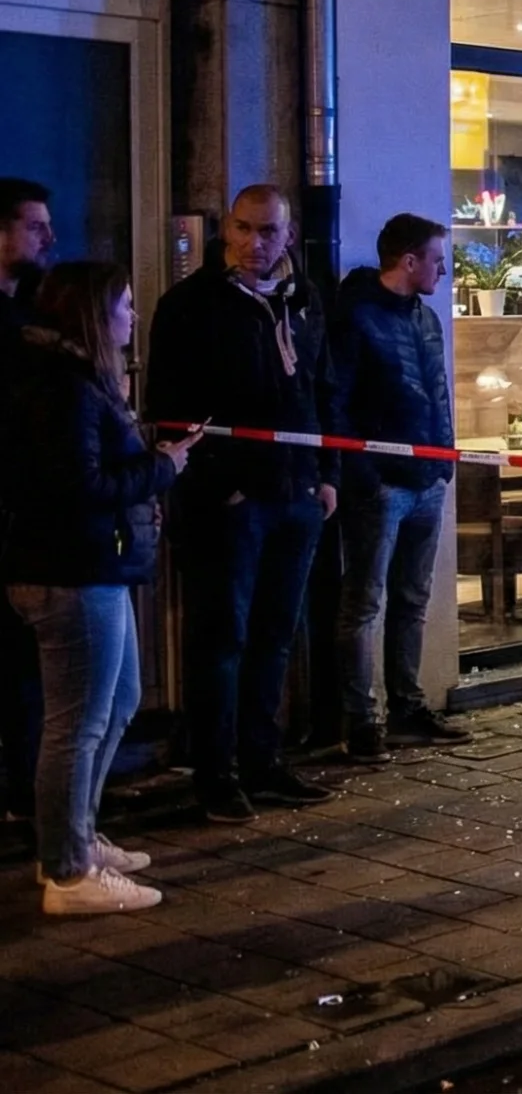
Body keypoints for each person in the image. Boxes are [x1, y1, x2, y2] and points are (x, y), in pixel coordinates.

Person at [4, 263, 199, 912]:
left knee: (118, 702)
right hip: (72, 572)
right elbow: (78, 487)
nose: (133, 316)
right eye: (124, 304)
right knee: (76, 724)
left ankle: (77, 839)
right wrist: (161, 467)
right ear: (92, 312)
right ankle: (66, 871)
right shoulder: (65, 387)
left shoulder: (80, 380)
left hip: (90, 567)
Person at [146, 185, 338, 823]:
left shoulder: (304, 299)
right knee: (221, 637)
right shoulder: (191, 305)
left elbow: (322, 390)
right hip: (231, 503)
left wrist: (325, 474)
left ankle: (263, 760)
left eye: (268, 231)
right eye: (244, 229)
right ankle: (216, 774)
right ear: (226, 230)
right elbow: (170, 408)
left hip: (296, 494)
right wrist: (217, 485)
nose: (256, 243)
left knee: (276, 635)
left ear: (288, 235)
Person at [328, 215, 471, 763]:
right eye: (437, 259)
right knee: (364, 602)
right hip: (382, 483)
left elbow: (438, 391)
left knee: (412, 599)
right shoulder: (357, 317)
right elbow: (336, 400)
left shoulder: (426, 319)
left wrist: (444, 459)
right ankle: (361, 721)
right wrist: (360, 472)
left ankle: (407, 707)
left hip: (426, 478)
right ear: (409, 261)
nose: (443, 270)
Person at [0, 178, 56, 831]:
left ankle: (27, 789)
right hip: (13, 513)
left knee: (24, 665)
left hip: (24, 517)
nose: (49, 238)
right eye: (36, 226)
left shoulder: (29, 314)